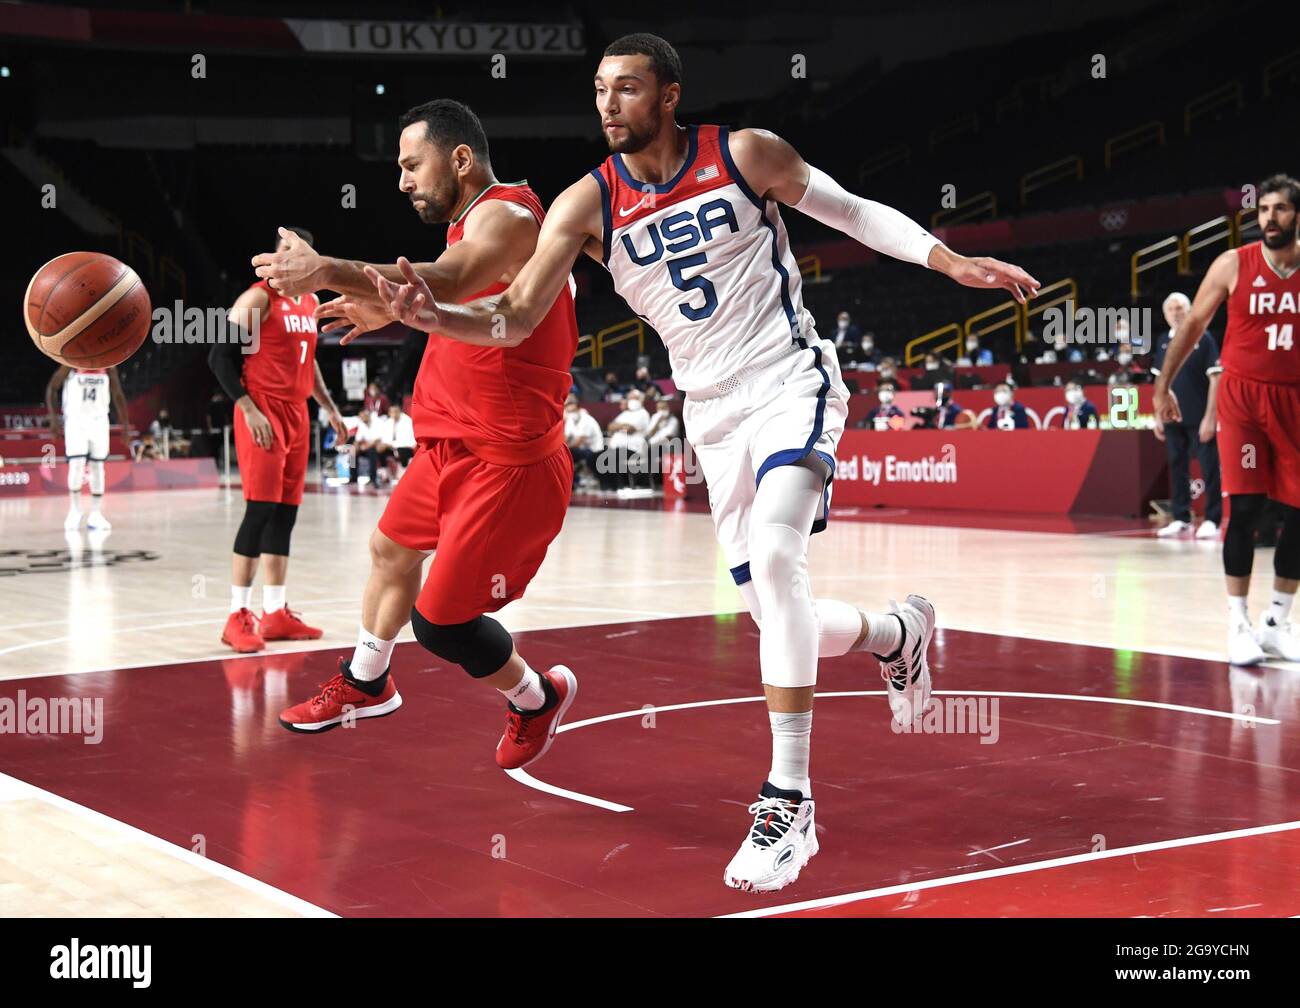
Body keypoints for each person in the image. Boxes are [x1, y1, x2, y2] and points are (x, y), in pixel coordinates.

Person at [364, 33, 1039, 892]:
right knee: (774, 614)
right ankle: (898, 633)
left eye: (627, 89)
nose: (608, 105)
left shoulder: (744, 153)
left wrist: (946, 260)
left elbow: (853, 211)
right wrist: (431, 317)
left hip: (790, 377)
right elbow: (510, 319)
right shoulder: (583, 206)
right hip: (712, 415)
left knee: (782, 555)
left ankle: (787, 802)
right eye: (599, 91)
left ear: (670, 96)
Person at [252, 99, 581, 769]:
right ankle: (367, 681)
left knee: (441, 623)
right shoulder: (472, 224)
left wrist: (329, 270)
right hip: (450, 446)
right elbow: (460, 303)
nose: (401, 181)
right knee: (389, 552)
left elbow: (455, 280)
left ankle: (534, 696)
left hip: (508, 465)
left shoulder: (511, 218)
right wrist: (393, 312)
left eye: (411, 164)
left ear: (460, 158)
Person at [1153, 173, 1300, 666]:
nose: (1269, 219)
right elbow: (1193, 325)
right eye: (1263, 211)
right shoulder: (1234, 263)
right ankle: (1237, 620)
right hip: (1243, 399)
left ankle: (1277, 622)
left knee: (1298, 516)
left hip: (1294, 401)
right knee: (1248, 509)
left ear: (1296, 215)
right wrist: (1161, 385)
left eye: (1279, 209)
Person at [208, 227, 348, 653]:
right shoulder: (256, 299)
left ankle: (274, 612)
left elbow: (309, 362)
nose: (288, 258)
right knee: (260, 511)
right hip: (262, 411)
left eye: (297, 251)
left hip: (298, 412)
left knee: (285, 514)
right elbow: (219, 357)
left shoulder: (309, 301)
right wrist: (248, 409)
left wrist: (329, 407)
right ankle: (237, 615)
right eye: (282, 250)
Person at [1152, 291, 1222, 540]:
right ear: (1165, 314)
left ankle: (1213, 519)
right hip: (1172, 418)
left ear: (1190, 309)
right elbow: (1159, 382)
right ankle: (1181, 517)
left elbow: (1216, 378)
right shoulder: (1162, 341)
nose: (1176, 313)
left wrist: (1210, 417)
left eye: (1180, 308)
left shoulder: (1204, 338)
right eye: (1171, 309)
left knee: (1209, 467)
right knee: (1177, 466)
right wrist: (1157, 415)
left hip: (1199, 415)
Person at [46, 365, 130, 531]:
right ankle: (75, 510)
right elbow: (52, 388)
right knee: (76, 466)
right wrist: (54, 419)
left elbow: (118, 395)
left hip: (99, 421)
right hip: (76, 421)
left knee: (98, 467)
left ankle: (96, 514)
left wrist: (125, 426)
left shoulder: (108, 365)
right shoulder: (71, 363)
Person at [563, 394, 604, 489]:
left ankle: (575, 481)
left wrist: (564, 448)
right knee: (564, 454)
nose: (569, 411)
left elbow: (579, 442)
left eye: (571, 406)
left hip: (594, 451)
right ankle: (573, 481)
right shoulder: (571, 420)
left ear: (577, 407)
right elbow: (565, 438)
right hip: (581, 450)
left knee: (568, 453)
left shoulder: (586, 419)